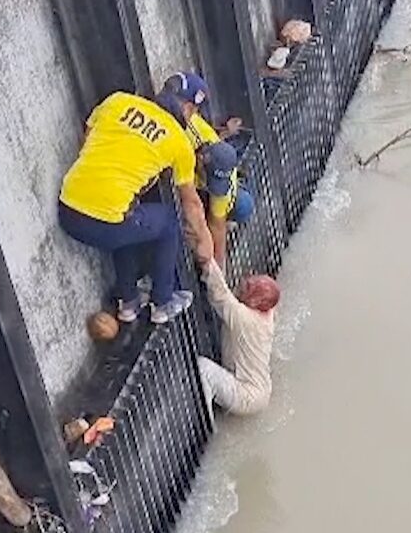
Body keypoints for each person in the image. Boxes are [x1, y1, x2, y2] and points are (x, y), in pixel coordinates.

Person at [58, 73, 214, 324]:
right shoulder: (178, 141)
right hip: (105, 225)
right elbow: (191, 203)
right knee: (168, 221)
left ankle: (128, 303)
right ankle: (163, 302)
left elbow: (87, 139)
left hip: (67, 210)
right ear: (187, 108)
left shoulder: (118, 101)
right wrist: (206, 243)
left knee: (126, 213)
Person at [194, 251, 280, 417]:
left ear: (255, 302)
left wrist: (208, 261)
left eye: (248, 286)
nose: (243, 282)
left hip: (247, 394)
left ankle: (208, 423)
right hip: (261, 390)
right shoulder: (267, 314)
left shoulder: (245, 319)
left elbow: (219, 295)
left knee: (203, 368)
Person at [184, 108, 255, 266]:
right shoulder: (188, 135)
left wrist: (217, 267)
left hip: (197, 188)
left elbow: (218, 226)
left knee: (243, 205)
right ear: (202, 159)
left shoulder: (225, 180)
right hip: (182, 177)